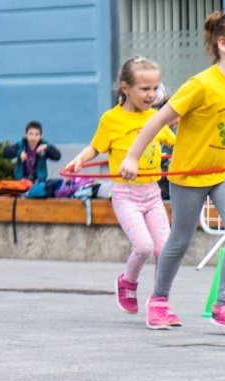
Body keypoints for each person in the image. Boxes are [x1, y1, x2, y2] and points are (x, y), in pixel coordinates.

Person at [123, 12, 225, 331]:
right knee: (180, 240)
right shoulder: (200, 85)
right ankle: (159, 300)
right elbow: (157, 120)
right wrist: (132, 157)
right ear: (224, 44)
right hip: (189, 173)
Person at [63, 57, 176, 316]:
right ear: (125, 88)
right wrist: (80, 159)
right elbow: (96, 147)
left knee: (164, 249)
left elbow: (175, 143)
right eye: (145, 89)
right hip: (126, 196)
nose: (152, 95)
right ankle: (128, 281)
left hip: (153, 194)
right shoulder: (111, 119)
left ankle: (159, 301)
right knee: (144, 246)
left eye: (155, 88)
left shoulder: (156, 117)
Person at [1, 120, 62, 195]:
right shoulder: (21, 145)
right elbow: (5, 152)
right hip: (22, 181)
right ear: (26, 135)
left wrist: (48, 148)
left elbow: (57, 156)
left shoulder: (43, 146)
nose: (33, 137)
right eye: (31, 134)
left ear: (40, 136)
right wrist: (19, 153)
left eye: (36, 135)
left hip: (38, 182)